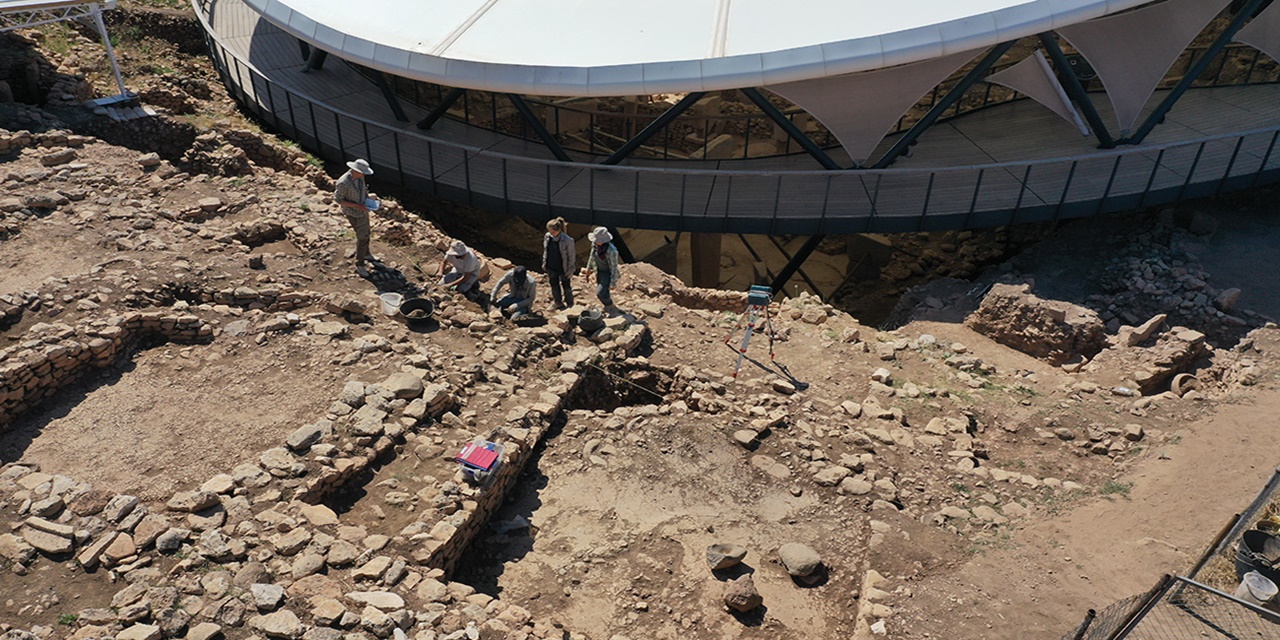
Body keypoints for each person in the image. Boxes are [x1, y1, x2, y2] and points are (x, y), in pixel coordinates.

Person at [333, 158, 379, 276]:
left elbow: (363, 190)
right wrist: (357, 206)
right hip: (353, 212)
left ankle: (366, 253)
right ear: (355, 170)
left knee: (366, 232)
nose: (363, 174)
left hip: (363, 210)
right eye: (362, 172)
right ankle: (360, 264)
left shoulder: (360, 177)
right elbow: (339, 200)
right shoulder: (343, 183)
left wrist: (368, 200)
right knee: (362, 236)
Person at [582, 226, 621, 314]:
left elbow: (614, 267)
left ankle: (610, 306)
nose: (594, 241)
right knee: (604, 291)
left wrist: (613, 282)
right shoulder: (595, 245)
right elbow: (591, 257)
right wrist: (588, 270)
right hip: (598, 271)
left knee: (600, 293)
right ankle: (608, 306)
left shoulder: (612, 251)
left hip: (607, 273)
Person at [542, 217, 575, 309]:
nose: (551, 233)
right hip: (551, 266)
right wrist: (544, 263)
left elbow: (571, 257)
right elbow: (546, 251)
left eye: (552, 232)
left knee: (566, 286)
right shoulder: (548, 236)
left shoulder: (568, 240)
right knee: (554, 284)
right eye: (549, 231)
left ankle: (570, 304)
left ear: (558, 230)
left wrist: (570, 269)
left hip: (563, 267)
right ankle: (558, 302)